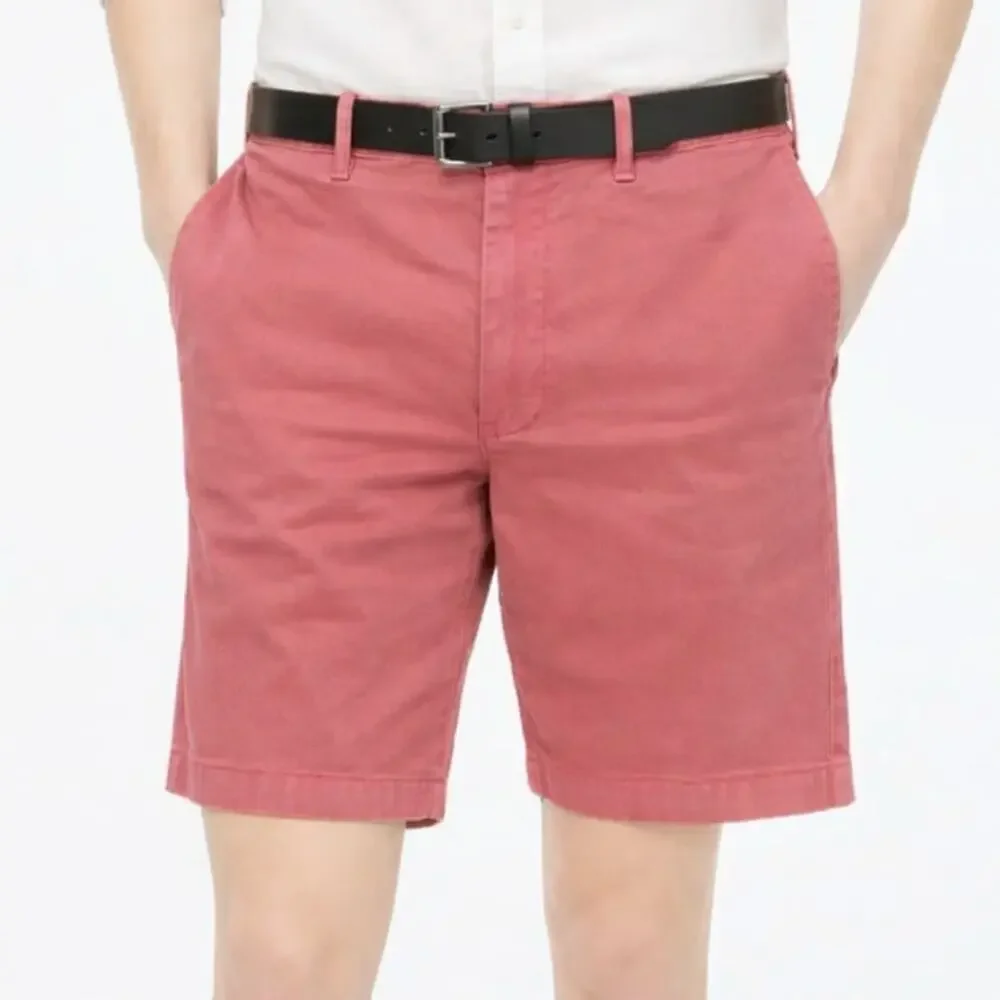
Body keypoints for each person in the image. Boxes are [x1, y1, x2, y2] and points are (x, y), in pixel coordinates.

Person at [104, 1, 972, 997]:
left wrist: (871, 201)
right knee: (284, 952)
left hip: (683, 244)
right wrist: (175, 207)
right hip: (319, 248)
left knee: (631, 943)